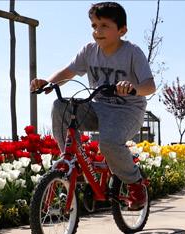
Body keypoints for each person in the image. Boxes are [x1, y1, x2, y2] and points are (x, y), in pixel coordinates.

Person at [31, 2, 156, 210]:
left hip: (127, 112)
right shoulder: (89, 51)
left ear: (122, 30)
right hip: (97, 107)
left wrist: (132, 87)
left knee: (108, 142)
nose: (97, 31)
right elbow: (68, 72)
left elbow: (150, 86)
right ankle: (71, 163)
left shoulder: (132, 52)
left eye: (104, 25)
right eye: (94, 25)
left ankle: (136, 184)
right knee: (61, 106)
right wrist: (48, 83)